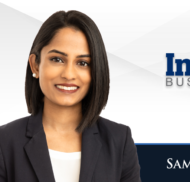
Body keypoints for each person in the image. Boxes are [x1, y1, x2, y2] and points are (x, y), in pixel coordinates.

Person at [0, 10, 141, 182]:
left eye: (83, 63)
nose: (68, 74)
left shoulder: (119, 141)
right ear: (35, 65)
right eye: (57, 59)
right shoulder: (5, 142)